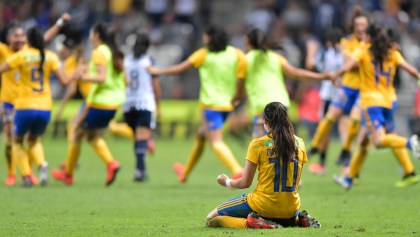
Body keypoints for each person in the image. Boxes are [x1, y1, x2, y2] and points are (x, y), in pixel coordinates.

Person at [149, 26, 245, 183]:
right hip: (227, 104)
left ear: (210, 38)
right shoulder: (236, 54)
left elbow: (180, 69)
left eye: (205, 36)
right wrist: (238, 96)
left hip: (210, 105)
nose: (203, 38)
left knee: (216, 141)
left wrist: (159, 72)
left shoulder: (203, 55)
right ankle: (185, 172)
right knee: (201, 135)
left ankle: (236, 170)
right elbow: (242, 77)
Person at [205, 102, 320, 229]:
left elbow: (245, 183)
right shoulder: (300, 143)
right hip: (290, 211)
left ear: (265, 120)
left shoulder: (258, 144)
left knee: (211, 218)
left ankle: (252, 223)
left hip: (263, 205)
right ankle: (298, 220)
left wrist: (226, 182)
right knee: (281, 214)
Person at [333, 24, 420, 189]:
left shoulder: (364, 51)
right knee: (365, 140)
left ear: (370, 38)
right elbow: (412, 71)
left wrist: (335, 76)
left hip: (371, 103)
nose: (363, 37)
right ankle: (349, 178)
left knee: (379, 141)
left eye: (366, 35)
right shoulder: (392, 53)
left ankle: (410, 143)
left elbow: (347, 66)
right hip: (390, 101)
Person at [0, 14, 71, 186]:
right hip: (10, 101)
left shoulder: (24, 53)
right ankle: (12, 174)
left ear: (27, 39)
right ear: (8, 37)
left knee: (19, 139)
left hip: (23, 102)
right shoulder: (4, 50)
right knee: (12, 139)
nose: (19, 39)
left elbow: (45, 36)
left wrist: (60, 23)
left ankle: (27, 173)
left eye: (22, 36)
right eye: (16, 36)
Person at [52, 22, 125, 186]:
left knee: (76, 131)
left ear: (97, 36)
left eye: (92, 33)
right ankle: (110, 164)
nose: (90, 36)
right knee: (91, 136)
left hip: (99, 102)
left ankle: (69, 173)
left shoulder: (99, 52)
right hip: (113, 103)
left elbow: (101, 78)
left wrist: (82, 77)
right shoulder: (112, 51)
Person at [235, 28, 334, 139]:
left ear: (248, 41)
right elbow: (296, 73)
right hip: (281, 104)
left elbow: (240, 83)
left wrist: (235, 98)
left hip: (263, 106)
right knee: (281, 143)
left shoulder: (245, 60)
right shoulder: (275, 57)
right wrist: (322, 76)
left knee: (258, 146)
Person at [309, 7, 368, 167]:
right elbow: (350, 62)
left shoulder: (371, 44)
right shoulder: (346, 43)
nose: (362, 28)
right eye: (359, 25)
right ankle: (315, 149)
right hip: (346, 87)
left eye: (364, 25)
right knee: (328, 118)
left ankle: (346, 153)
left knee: (353, 121)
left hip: (363, 89)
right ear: (353, 27)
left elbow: (353, 62)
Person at [123, 33, 161, 182]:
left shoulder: (126, 61)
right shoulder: (149, 61)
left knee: (138, 137)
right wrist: (159, 105)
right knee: (141, 137)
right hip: (144, 102)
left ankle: (141, 169)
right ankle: (139, 170)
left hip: (129, 103)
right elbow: (155, 85)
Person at [306, 28, 344, 174]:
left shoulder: (326, 53)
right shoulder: (347, 53)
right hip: (344, 94)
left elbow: (310, 65)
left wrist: (311, 50)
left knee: (326, 127)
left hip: (330, 95)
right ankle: (347, 165)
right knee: (343, 128)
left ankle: (320, 160)